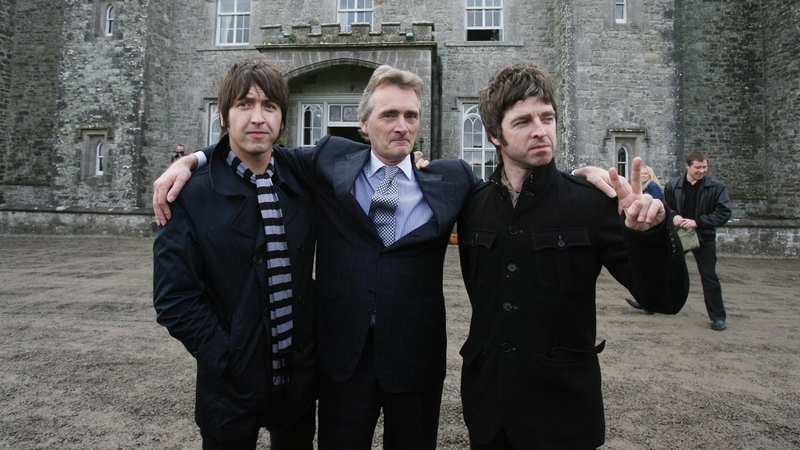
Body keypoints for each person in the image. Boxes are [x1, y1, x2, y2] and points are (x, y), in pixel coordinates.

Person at [152, 65, 619, 449]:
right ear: (364, 124)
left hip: (415, 360)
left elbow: (512, 189)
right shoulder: (329, 159)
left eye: (411, 116)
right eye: (390, 114)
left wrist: (579, 176)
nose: (402, 126)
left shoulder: (452, 179)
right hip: (341, 359)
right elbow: (258, 147)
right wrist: (191, 160)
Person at [456, 63, 689, 449]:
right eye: (523, 121)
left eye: (547, 117)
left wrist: (648, 235)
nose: (540, 130)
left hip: (563, 413)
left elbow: (665, 299)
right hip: (489, 412)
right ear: (495, 135)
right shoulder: (471, 206)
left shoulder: (591, 203)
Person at [152, 57, 316, 449]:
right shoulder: (189, 195)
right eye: (244, 104)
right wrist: (227, 358)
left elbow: (359, 157)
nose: (258, 118)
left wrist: (413, 160)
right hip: (230, 388)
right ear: (224, 116)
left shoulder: (300, 176)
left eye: (269, 106)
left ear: (282, 118)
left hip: (296, 381)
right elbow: (174, 299)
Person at [663, 151, 732, 331]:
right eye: (698, 167)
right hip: (680, 234)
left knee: (709, 277)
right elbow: (665, 206)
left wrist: (698, 222)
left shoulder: (717, 187)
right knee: (664, 268)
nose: (701, 171)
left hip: (704, 237)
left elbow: (724, 212)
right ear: (687, 166)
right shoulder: (673, 185)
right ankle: (649, 302)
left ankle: (718, 317)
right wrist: (674, 216)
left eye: (704, 167)